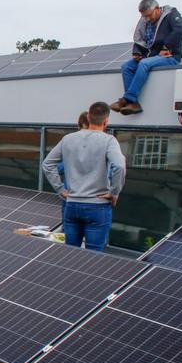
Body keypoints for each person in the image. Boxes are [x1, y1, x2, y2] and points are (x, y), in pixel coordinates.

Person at [43, 102, 126, 252]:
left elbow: (47, 164)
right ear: (106, 121)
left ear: (88, 117)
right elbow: (119, 166)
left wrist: (60, 189)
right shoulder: (109, 141)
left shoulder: (68, 139)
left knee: (71, 254)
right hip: (98, 206)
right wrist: (114, 193)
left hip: (72, 205)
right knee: (93, 257)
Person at [111, 0, 182, 115]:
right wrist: (137, 52)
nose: (147, 19)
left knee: (144, 63)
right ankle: (133, 104)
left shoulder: (171, 14)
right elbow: (140, 39)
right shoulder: (146, 21)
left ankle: (128, 99)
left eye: (149, 15)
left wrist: (166, 47)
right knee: (126, 66)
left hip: (170, 57)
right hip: (151, 57)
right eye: (144, 16)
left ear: (157, 9)